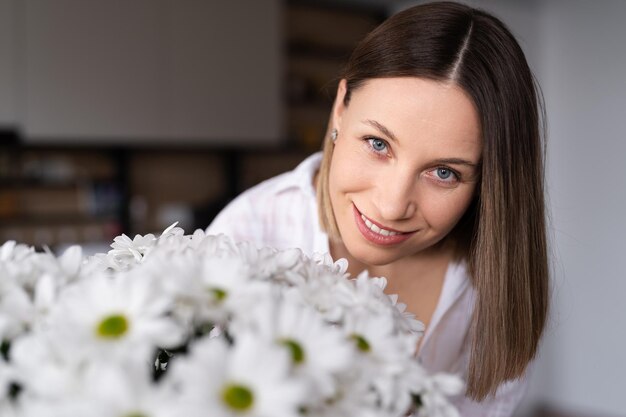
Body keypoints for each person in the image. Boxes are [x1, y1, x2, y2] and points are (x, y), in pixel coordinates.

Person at [207, 1, 549, 416]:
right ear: (340, 108)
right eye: (378, 144)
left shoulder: (494, 287)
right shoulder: (248, 234)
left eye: (443, 172)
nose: (391, 206)